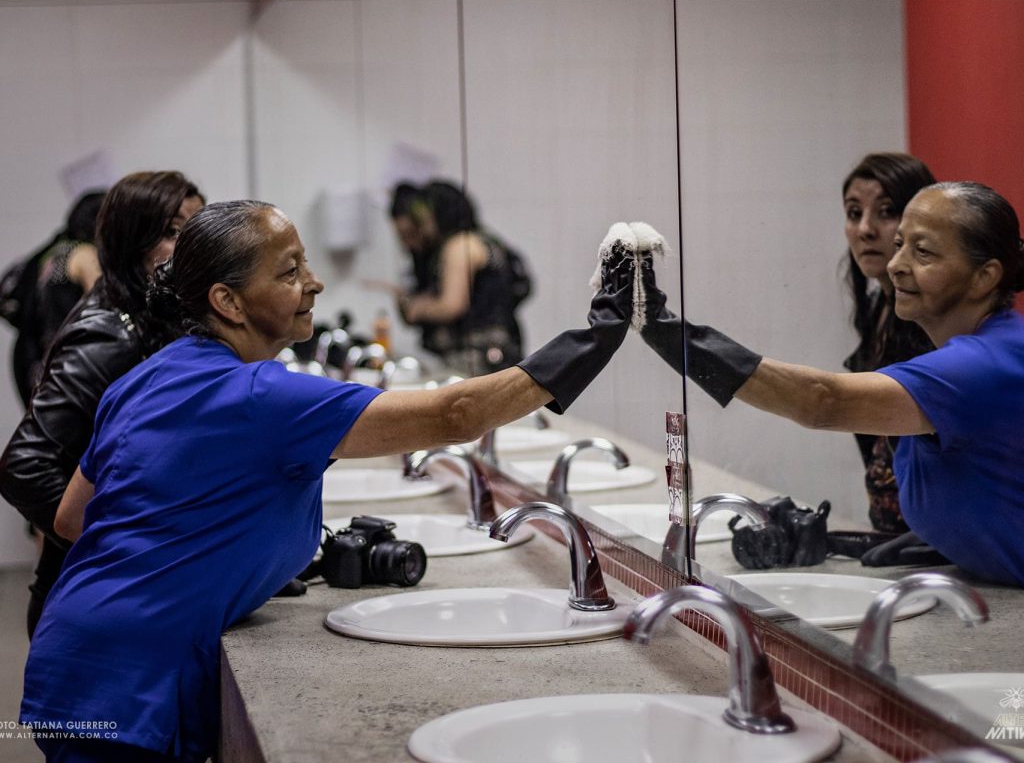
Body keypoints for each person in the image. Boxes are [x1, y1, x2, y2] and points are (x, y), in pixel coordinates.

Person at [20, 203, 638, 762]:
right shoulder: (261, 394)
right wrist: (594, 339)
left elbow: (76, 520)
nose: (312, 283)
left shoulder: (146, 378)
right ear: (228, 302)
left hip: (69, 660)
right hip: (134, 685)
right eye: (289, 272)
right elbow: (456, 415)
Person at [639, 182, 1024, 585]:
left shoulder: (982, 364)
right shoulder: (988, 349)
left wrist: (672, 336)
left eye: (923, 252)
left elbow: (824, 401)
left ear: (984, 277)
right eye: (900, 245)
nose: (895, 265)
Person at [0, 171, 204, 638]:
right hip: (90, 604)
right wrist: (125, 546)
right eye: (172, 233)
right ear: (131, 244)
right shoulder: (109, 333)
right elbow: (23, 465)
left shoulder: (154, 318)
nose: (190, 248)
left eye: (193, 231)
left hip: (119, 596)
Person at [839, 153, 936, 533]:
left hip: (938, 543)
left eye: (886, 211)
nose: (865, 229)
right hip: (896, 537)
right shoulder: (878, 308)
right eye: (853, 212)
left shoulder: (935, 321)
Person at [387, 180, 530, 375]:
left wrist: (418, 308)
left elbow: (451, 305)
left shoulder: (459, 246)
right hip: (497, 353)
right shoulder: (482, 239)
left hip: (478, 359)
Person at [0, 190, 106, 406]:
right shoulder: (85, 255)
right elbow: (106, 307)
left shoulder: (51, 253)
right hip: (66, 366)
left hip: (33, 360)